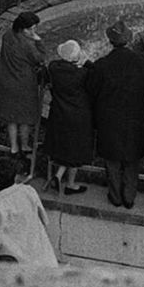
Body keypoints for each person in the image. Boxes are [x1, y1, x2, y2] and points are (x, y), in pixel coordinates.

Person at [87, 20, 144, 208]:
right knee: (133, 160)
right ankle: (129, 196)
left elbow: (92, 90)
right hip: (136, 119)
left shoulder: (101, 65)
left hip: (109, 120)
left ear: (110, 41)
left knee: (112, 160)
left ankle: (115, 195)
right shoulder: (143, 61)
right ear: (130, 39)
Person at [0, 11, 47, 167]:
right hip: (24, 84)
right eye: (30, 29)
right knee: (24, 118)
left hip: (6, 81)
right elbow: (41, 58)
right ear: (22, 28)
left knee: (11, 118)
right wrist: (38, 41)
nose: (32, 32)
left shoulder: (7, 35)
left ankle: (13, 147)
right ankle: (24, 145)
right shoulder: (28, 45)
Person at [0, 154, 57, 266]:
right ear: (15, 175)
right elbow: (44, 220)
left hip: (17, 259)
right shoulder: (28, 190)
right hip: (41, 255)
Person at [43, 39, 94, 195]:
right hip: (78, 115)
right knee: (76, 149)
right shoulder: (82, 74)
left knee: (64, 148)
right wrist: (87, 63)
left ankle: (57, 176)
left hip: (58, 113)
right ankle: (70, 184)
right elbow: (92, 74)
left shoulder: (53, 68)